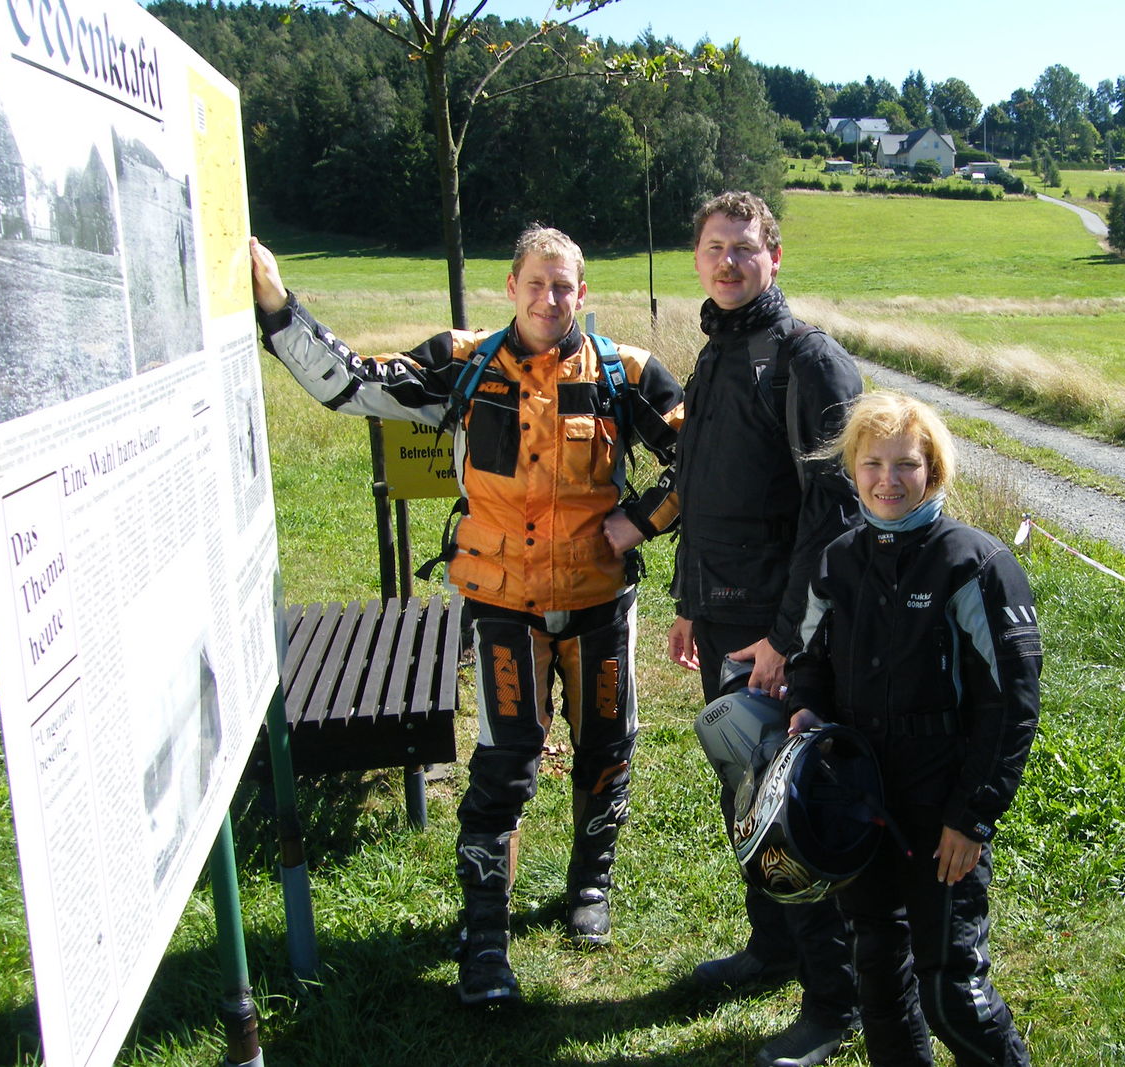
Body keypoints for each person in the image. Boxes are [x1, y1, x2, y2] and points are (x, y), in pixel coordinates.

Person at [249, 227, 684, 1005]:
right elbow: (353, 384)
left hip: (599, 601)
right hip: (503, 604)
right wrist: (280, 309)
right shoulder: (464, 362)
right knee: (503, 763)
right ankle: (485, 934)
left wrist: (642, 519)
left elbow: (704, 455)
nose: (549, 298)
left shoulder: (626, 371)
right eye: (536, 284)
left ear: (583, 292)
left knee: (606, 751)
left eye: (564, 286)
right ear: (511, 287)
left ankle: (590, 885)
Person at [663, 191, 863, 1067]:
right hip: (721, 619)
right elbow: (704, 493)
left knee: (790, 806)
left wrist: (786, 640)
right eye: (715, 248)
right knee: (744, 795)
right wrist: (687, 602)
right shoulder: (716, 352)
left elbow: (837, 517)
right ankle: (773, 947)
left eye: (745, 248)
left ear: (774, 257)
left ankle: (834, 1000)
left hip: (782, 636)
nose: (729, 262)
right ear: (698, 259)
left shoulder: (806, 360)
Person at [786, 392, 1042, 1067]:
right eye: (873, 464)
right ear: (852, 468)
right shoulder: (837, 560)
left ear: (933, 469)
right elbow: (808, 661)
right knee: (877, 969)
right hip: (861, 802)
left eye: (906, 464)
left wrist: (971, 817)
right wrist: (806, 711)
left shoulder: (975, 564)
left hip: (943, 811)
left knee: (952, 991)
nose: (888, 480)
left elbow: (1011, 706)